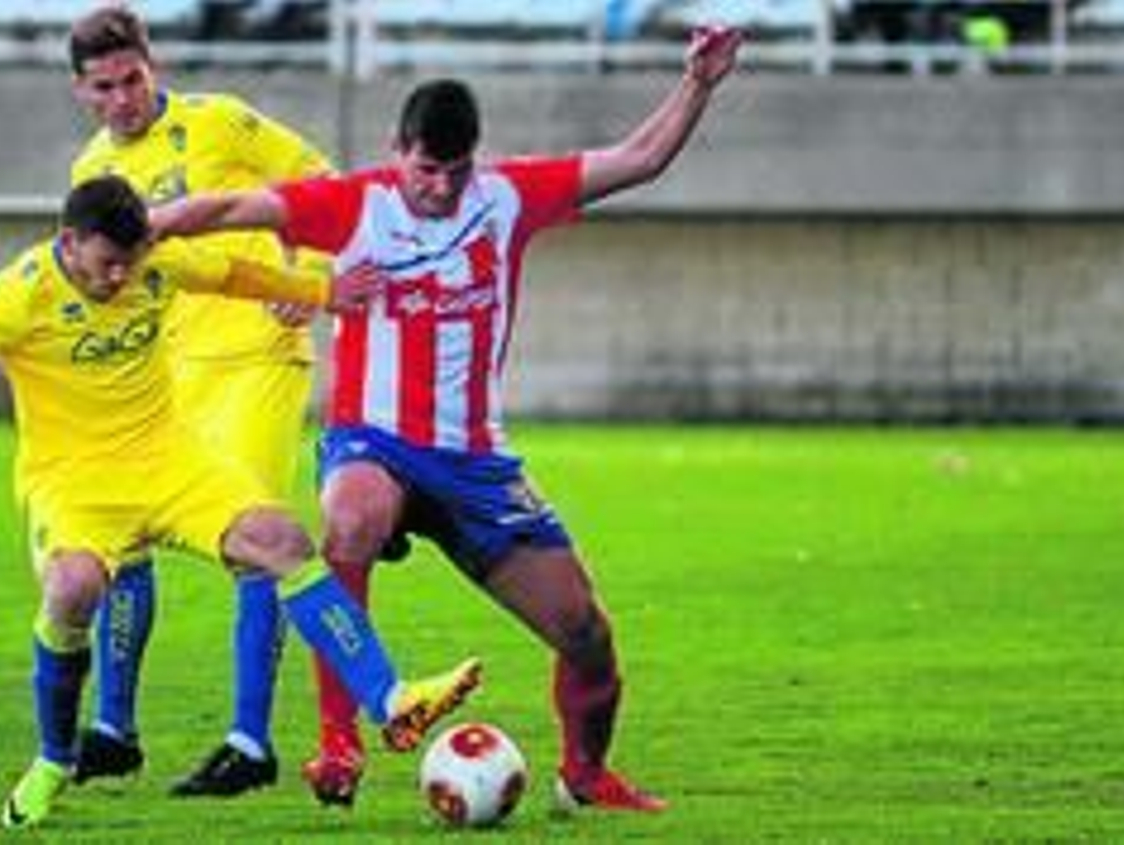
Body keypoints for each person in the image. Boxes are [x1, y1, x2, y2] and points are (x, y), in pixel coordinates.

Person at [151, 25, 743, 812]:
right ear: (401, 151)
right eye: (427, 169)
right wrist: (144, 227)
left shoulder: (508, 197)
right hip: (375, 440)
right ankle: (339, 747)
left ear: (476, 159)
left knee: (585, 632)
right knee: (350, 518)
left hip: (475, 463)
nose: (439, 186)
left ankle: (585, 775)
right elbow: (232, 204)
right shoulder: (355, 203)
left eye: (454, 171)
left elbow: (638, 159)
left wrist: (698, 83)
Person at [0, 176, 481, 829]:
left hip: (170, 463)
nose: (121, 275)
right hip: (74, 482)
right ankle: (52, 759)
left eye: (132, 261)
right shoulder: (18, 293)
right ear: (68, 243)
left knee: (285, 541)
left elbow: (231, 273)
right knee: (72, 589)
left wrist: (322, 291)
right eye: (107, 264)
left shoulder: (151, 261)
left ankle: (392, 699)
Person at [66, 5, 336, 797]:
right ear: (82, 91)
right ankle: (114, 730)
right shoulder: (90, 170)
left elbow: (319, 179)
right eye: (105, 86)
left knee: (255, 544)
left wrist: (308, 269)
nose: (123, 98)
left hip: (257, 352)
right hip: (171, 372)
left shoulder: (219, 121)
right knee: (123, 534)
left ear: (153, 64)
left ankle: (249, 742)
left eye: (133, 78)